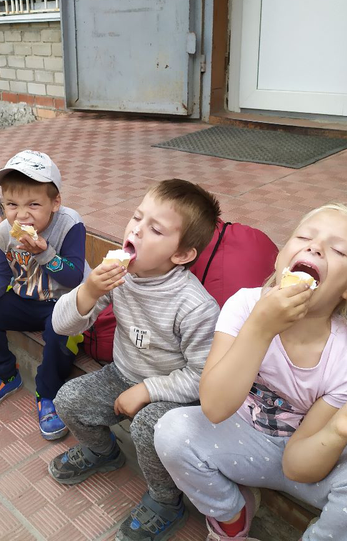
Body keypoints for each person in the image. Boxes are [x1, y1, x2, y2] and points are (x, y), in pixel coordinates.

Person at [154, 203, 347, 541]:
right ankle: (232, 515)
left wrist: (339, 431)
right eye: (305, 237)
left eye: (337, 249)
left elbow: (298, 465)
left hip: (310, 456)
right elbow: (215, 407)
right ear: (281, 259)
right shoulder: (244, 306)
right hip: (242, 435)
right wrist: (260, 328)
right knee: (171, 430)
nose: (315, 246)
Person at [48, 179, 222, 541]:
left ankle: (165, 500)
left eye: (155, 229)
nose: (136, 230)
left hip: (176, 393)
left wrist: (147, 390)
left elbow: (204, 376)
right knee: (67, 400)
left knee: (149, 427)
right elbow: (61, 325)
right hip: (122, 373)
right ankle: (103, 452)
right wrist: (89, 289)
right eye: (137, 217)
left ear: (182, 254)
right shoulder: (117, 274)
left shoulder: (195, 306)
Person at [0, 150, 86, 440]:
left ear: (55, 202)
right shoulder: (3, 233)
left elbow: (74, 275)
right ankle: (6, 375)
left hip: (62, 300)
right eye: (12, 205)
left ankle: (48, 393)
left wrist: (44, 253)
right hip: (24, 299)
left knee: (60, 334)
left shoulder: (70, 224)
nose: (22, 214)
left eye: (34, 204)